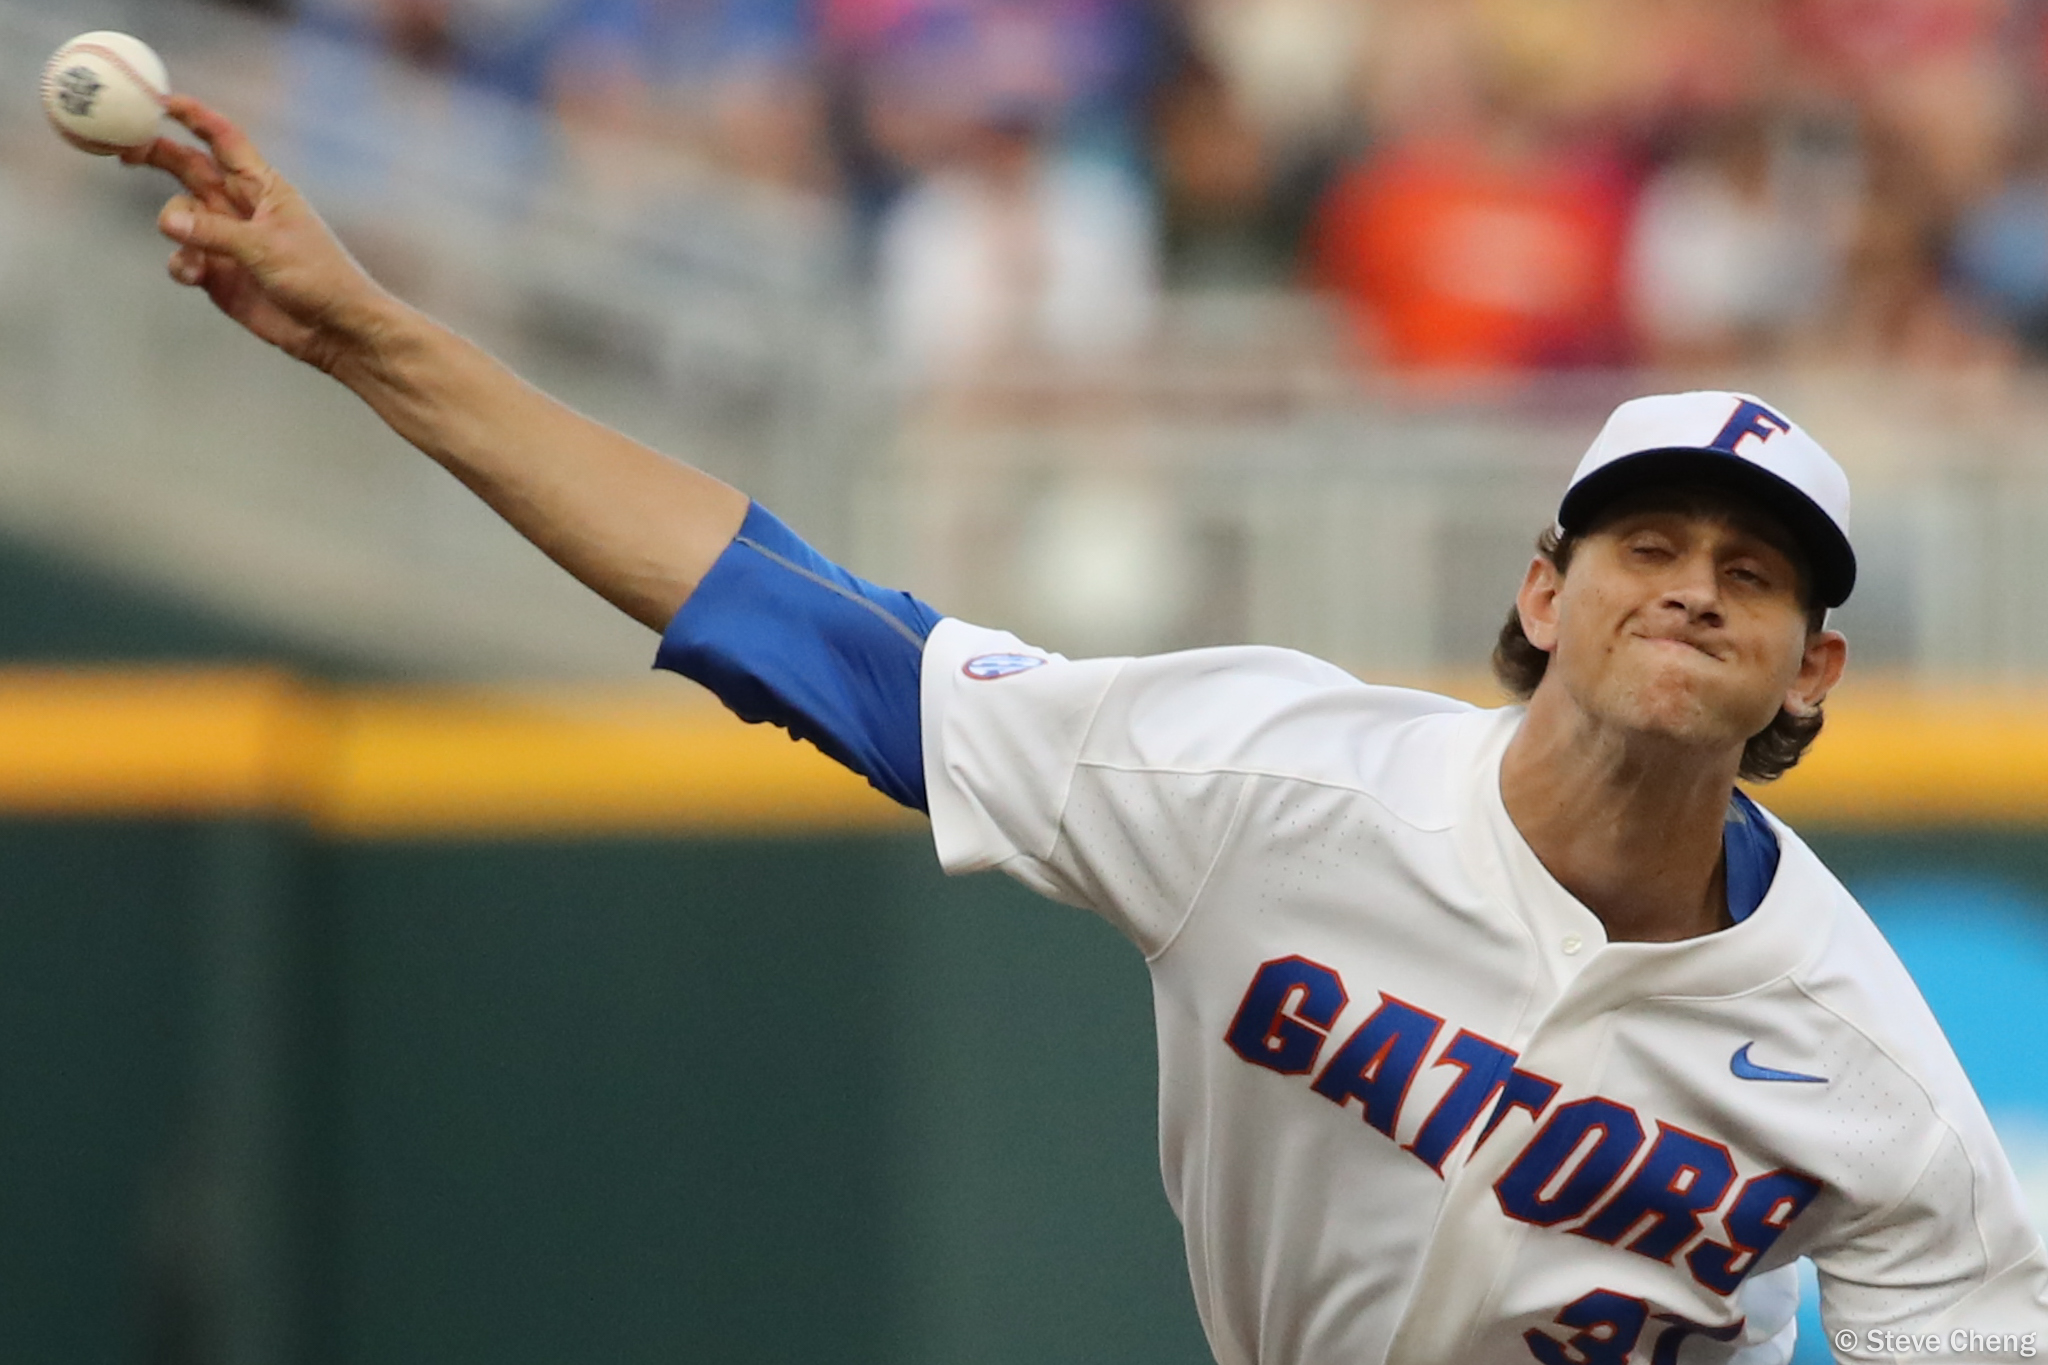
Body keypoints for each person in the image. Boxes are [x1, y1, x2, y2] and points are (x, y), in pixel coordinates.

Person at [126, 97, 2048, 1363]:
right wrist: (374, 331)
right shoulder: (1265, 786)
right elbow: (804, 629)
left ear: (1814, 672)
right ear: (1544, 589)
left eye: (1758, 571)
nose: (1696, 586)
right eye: (1648, 539)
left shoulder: (1857, 1050)